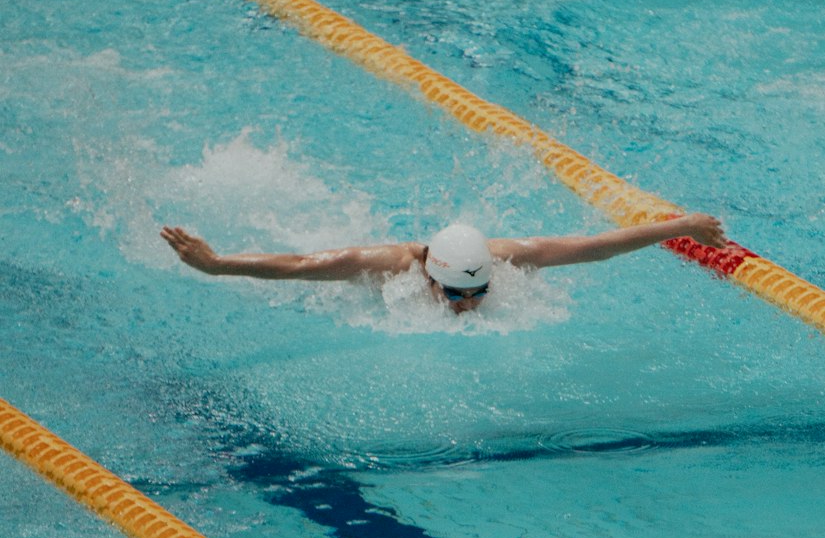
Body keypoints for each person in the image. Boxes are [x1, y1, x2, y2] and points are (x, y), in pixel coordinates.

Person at [160, 212, 728, 315]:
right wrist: (217, 265)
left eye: (477, 293)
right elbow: (298, 265)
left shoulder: (504, 259)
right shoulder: (384, 266)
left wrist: (680, 227)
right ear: (429, 276)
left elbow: (594, 247)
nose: (470, 305)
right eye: (456, 296)